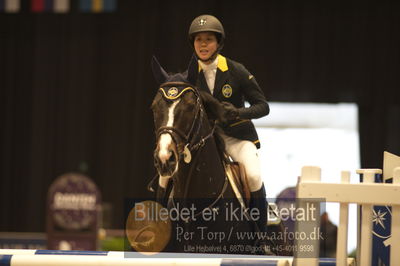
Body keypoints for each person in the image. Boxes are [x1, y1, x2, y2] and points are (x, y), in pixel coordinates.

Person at [188, 14, 270, 232]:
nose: (203, 44)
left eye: (208, 39)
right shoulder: (189, 76)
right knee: (167, 173)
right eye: (198, 40)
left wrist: (239, 113)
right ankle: (163, 226)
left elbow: (263, 106)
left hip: (237, 138)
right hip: (205, 141)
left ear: (219, 43)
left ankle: (261, 233)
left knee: (253, 176)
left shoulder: (236, 70)